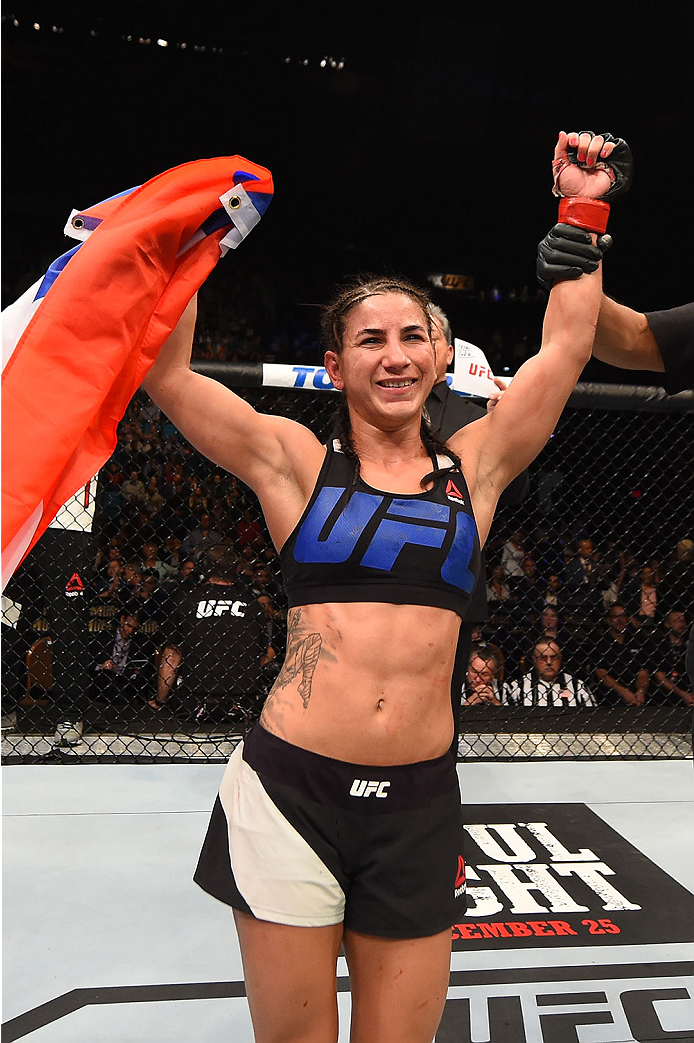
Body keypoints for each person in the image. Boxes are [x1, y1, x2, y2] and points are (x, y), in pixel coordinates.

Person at [140, 132, 613, 1041]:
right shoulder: (293, 463)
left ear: (442, 357)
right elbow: (166, 374)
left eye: (412, 337)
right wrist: (191, 242)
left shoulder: (475, 468)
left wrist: (582, 207)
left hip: (418, 803)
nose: (393, 356)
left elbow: (569, 344)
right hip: (289, 791)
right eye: (370, 340)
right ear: (336, 363)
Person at [505, 638, 596, 708]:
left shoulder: (578, 686)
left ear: (560, 658)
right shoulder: (518, 687)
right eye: (543, 657)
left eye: (553, 657)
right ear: (534, 660)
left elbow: (593, 717)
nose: (549, 662)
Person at [592, 603, 649, 706]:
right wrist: (623, 692)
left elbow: (643, 672)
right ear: (609, 620)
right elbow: (601, 673)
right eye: (615, 616)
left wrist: (641, 691)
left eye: (622, 616)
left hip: (635, 695)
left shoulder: (636, 641)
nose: (619, 620)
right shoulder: (600, 642)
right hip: (609, 696)